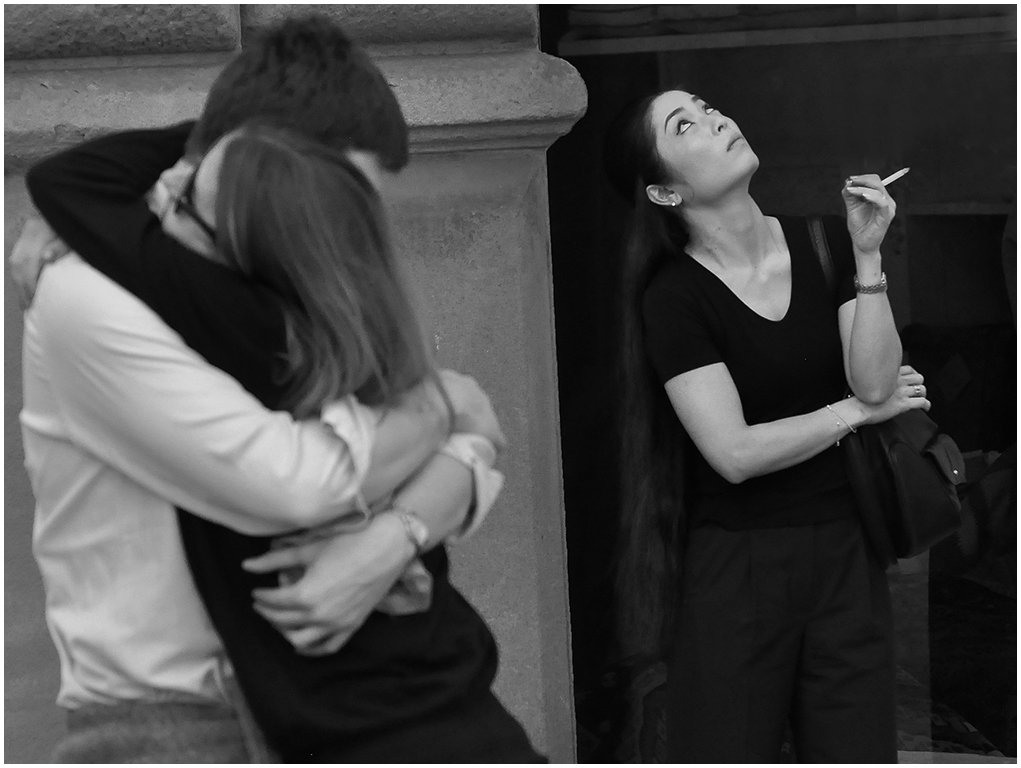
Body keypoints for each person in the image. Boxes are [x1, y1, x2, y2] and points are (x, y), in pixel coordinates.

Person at [16, 16, 540, 763]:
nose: (337, 228)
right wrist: (447, 407)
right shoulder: (95, 290)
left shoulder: (299, 287)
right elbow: (301, 481)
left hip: (376, 704)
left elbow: (459, 447)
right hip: (182, 729)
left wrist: (397, 533)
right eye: (327, 194)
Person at [605, 88, 932, 762]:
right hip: (737, 567)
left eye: (707, 108)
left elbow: (876, 380)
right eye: (684, 125)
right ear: (664, 192)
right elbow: (734, 453)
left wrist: (868, 256)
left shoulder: (822, 241)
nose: (715, 119)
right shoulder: (674, 296)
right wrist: (854, 413)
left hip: (847, 549)